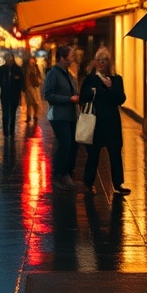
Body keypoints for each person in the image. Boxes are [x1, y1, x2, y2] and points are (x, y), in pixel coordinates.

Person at [78, 47, 130, 195]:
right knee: (93, 154)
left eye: (104, 61)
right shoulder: (90, 79)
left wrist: (111, 87)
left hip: (112, 122)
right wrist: (93, 91)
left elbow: (121, 99)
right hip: (95, 121)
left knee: (115, 152)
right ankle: (88, 183)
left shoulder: (116, 79)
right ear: (95, 63)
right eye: (99, 61)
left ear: (109, 63)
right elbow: (83, 97)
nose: (101, 64)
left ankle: (118, 184)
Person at [42, 44, 81, 190]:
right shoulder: (54, 73)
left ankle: (68, 172)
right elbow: (48, 95)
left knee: (73, 145)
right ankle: (60, 174)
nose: (73, 58)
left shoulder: (68, 74)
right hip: (59, 115)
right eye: (71, 56)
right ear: (62, 58)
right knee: (64, 144)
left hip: (71, 115)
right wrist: (69, 99)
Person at [0, 53, 25, 137]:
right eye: (8, 59)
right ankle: (5, 132)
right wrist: (4, 85)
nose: (9, 60)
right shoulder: (2, 69)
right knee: (5, 114)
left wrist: (17, 80)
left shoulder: (17, 69)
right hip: (5, 94)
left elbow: (21, 80)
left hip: (14, 94)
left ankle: (11, 131)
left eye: (10, 59)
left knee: (12, 114)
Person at [23, 55, 43, 122]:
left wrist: (39, 81)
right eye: (30, 59)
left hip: (35, 87)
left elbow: (40, 76)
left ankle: (35, 116)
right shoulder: (26, 69)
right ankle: (28, 116)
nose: (32, 61)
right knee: (29, 103)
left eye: (33, 59)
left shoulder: (36, 68)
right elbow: (24, 77)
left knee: (35, 102)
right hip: (28, 87)